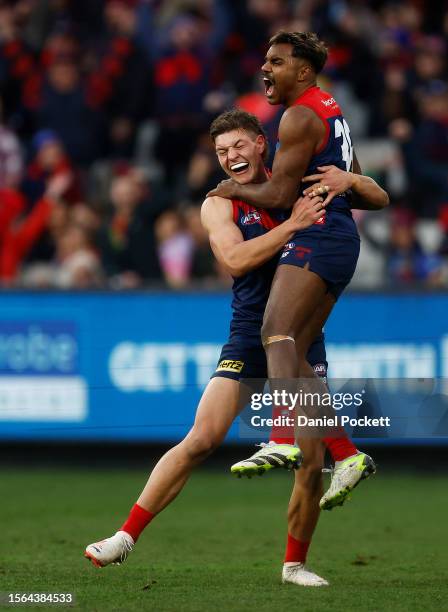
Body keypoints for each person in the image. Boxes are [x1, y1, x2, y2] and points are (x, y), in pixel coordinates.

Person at [84, 109, 330, 586]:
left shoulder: (297, 182)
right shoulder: (219, 203)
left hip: (300, 336)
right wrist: (294, 226)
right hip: (247, 335)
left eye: (237, 146)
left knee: (311, 460)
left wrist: (346, 180)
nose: (230, 157)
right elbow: (237, 260)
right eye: (221, 152)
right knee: (201, 438)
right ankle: (124, 537)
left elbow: (369, 197)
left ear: (262, 144)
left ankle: (294, 566)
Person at [207, 31, 389, 511]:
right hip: (340, 237)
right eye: (265, 60)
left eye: (277, 61)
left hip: (320, 237)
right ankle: (348, 455)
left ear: (303, 70)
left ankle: (283, 436)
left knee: (275, 331)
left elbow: (279, 197)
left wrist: (230, 189)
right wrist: (351, 179)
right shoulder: (330, 110)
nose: (266, 68)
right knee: (298, 348)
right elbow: (379, 196)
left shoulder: (300, 114)